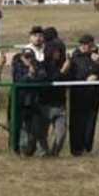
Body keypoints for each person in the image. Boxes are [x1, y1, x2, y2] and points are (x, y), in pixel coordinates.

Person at [66, 34, 99, 156]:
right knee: (77, 123)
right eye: (82, 44)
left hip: (93, 96)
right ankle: (76, 149)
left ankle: (87, 147)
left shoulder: (97, 58)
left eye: (87, 44)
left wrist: (98, 67)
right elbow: (70, 75)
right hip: (78, 95)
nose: (84, 46)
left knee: (90, 123)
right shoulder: (74, 58)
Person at [41, 27, 70, 155]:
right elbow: (51, 79)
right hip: (45, 103)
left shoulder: (65, 63)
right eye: (57, 50)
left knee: (61, 133)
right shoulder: (44, 65)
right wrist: (63, 70)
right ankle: (44, 153)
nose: (59, 52)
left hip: (60, 103)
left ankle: (53, 154)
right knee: (41, 134)